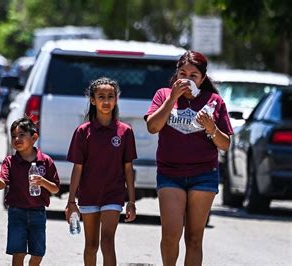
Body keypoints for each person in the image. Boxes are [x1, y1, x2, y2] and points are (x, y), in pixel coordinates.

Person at [144, 50, 233, 266]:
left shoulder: (214, 101)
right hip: (170, 174)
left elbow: (225, 145)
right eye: (182, 73)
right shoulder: (163, 95)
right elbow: (153, 127)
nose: (187, 79)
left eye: (193, 75)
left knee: (194, 238)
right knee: (170, 235)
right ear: (176, 75)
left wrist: (211, 127)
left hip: (204, 175)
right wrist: (173, 98)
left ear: (202, 79)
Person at [64, 77, 137, 266]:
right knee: (91, 246)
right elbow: (77, 168)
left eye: (110, 96)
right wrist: (71, 201)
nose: (106, 101)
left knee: (107, 242)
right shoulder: (83, 132)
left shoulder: (125, 132)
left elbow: (128, 169)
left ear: (116, 99)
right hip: (88, 195)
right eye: (101, 96)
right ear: (93, 100)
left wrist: (131, 201)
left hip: (113, 194)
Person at [0, 117, 60, 266]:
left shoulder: (45, 161)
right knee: (18, 252)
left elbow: (55, 188)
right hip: (16, 212)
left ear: (34, 138)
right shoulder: (10, 162)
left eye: (21, 135)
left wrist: (43, 182)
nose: (17, 139)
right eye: (13, 136)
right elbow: (2, 184)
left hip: (38, 213)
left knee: (38, 253)